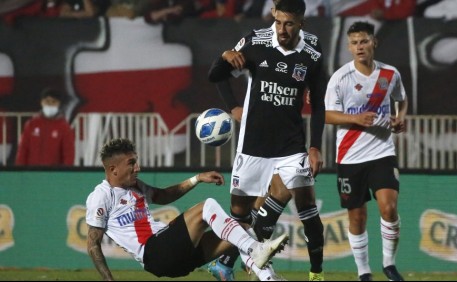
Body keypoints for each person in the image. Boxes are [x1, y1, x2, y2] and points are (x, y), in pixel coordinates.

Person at [207, 0, 326, 280]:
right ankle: (226, 264)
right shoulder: (255, 41)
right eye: (279, 22)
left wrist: (315, 146)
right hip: (253, 145)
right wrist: (224, 60)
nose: (282, 29)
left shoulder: (313, 50)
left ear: (301, 23)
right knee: (240, 214)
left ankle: (316, 274)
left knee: (305, 203)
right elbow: (215, 75)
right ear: (274, 15)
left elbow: (318, 103)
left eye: (289, 24)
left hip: (291, 146)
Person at [85, 138, 289, 281]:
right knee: (206, 207)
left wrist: (197, 179)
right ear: (113, 169)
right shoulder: (101, 196)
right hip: (154, 252)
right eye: (131, 163)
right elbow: (93, 243)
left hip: (177, 262)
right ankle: (255, 248)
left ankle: (268, 278)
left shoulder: (136, 186)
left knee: (242, 228)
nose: (137, 168)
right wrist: (108, 279)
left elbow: (164, 196)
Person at [324, 21, 408, 281]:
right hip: (350, 156)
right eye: (355, 43)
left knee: (388, 207)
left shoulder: (390, 74)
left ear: (374, 43)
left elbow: (401, 100)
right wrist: (356, 119)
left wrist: (400, 118)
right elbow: (326, 115)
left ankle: (389, 265)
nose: (359, 47)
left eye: (364, 41)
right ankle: (363, 272)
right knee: (357, 217)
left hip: (382, 152)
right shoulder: (340, 78)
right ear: (349, 47)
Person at [15, 87, 75, 166]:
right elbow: (23, 149)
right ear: (42, 102)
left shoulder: (64, 127)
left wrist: (65, 173)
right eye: (47, 101)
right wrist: (19, 170)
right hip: (31, 172)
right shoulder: (31, 124)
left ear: (59, 104)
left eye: (53, 102)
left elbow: (68, 153)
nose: (50, 104)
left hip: (53, 175)